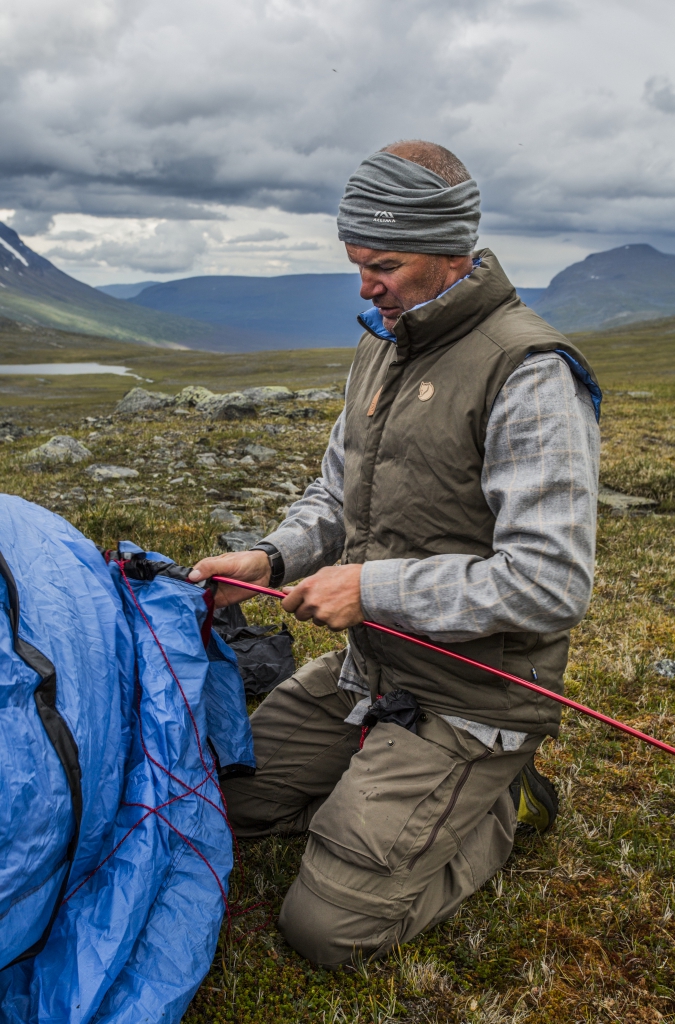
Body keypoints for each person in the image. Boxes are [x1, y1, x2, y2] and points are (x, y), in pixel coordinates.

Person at [189, 140, 601, 967]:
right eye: (356, 264)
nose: (365, 286)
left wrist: (370, 589)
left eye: (382, 265)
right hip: (368, 673)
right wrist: (271, 559)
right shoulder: (382, 342)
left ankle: (499, 803)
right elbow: (335, 495)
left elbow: (550, 581)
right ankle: (384, 790)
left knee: (327, 930)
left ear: (448, 250)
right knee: (221, 802)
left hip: (471, 696)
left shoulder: (528, 372)